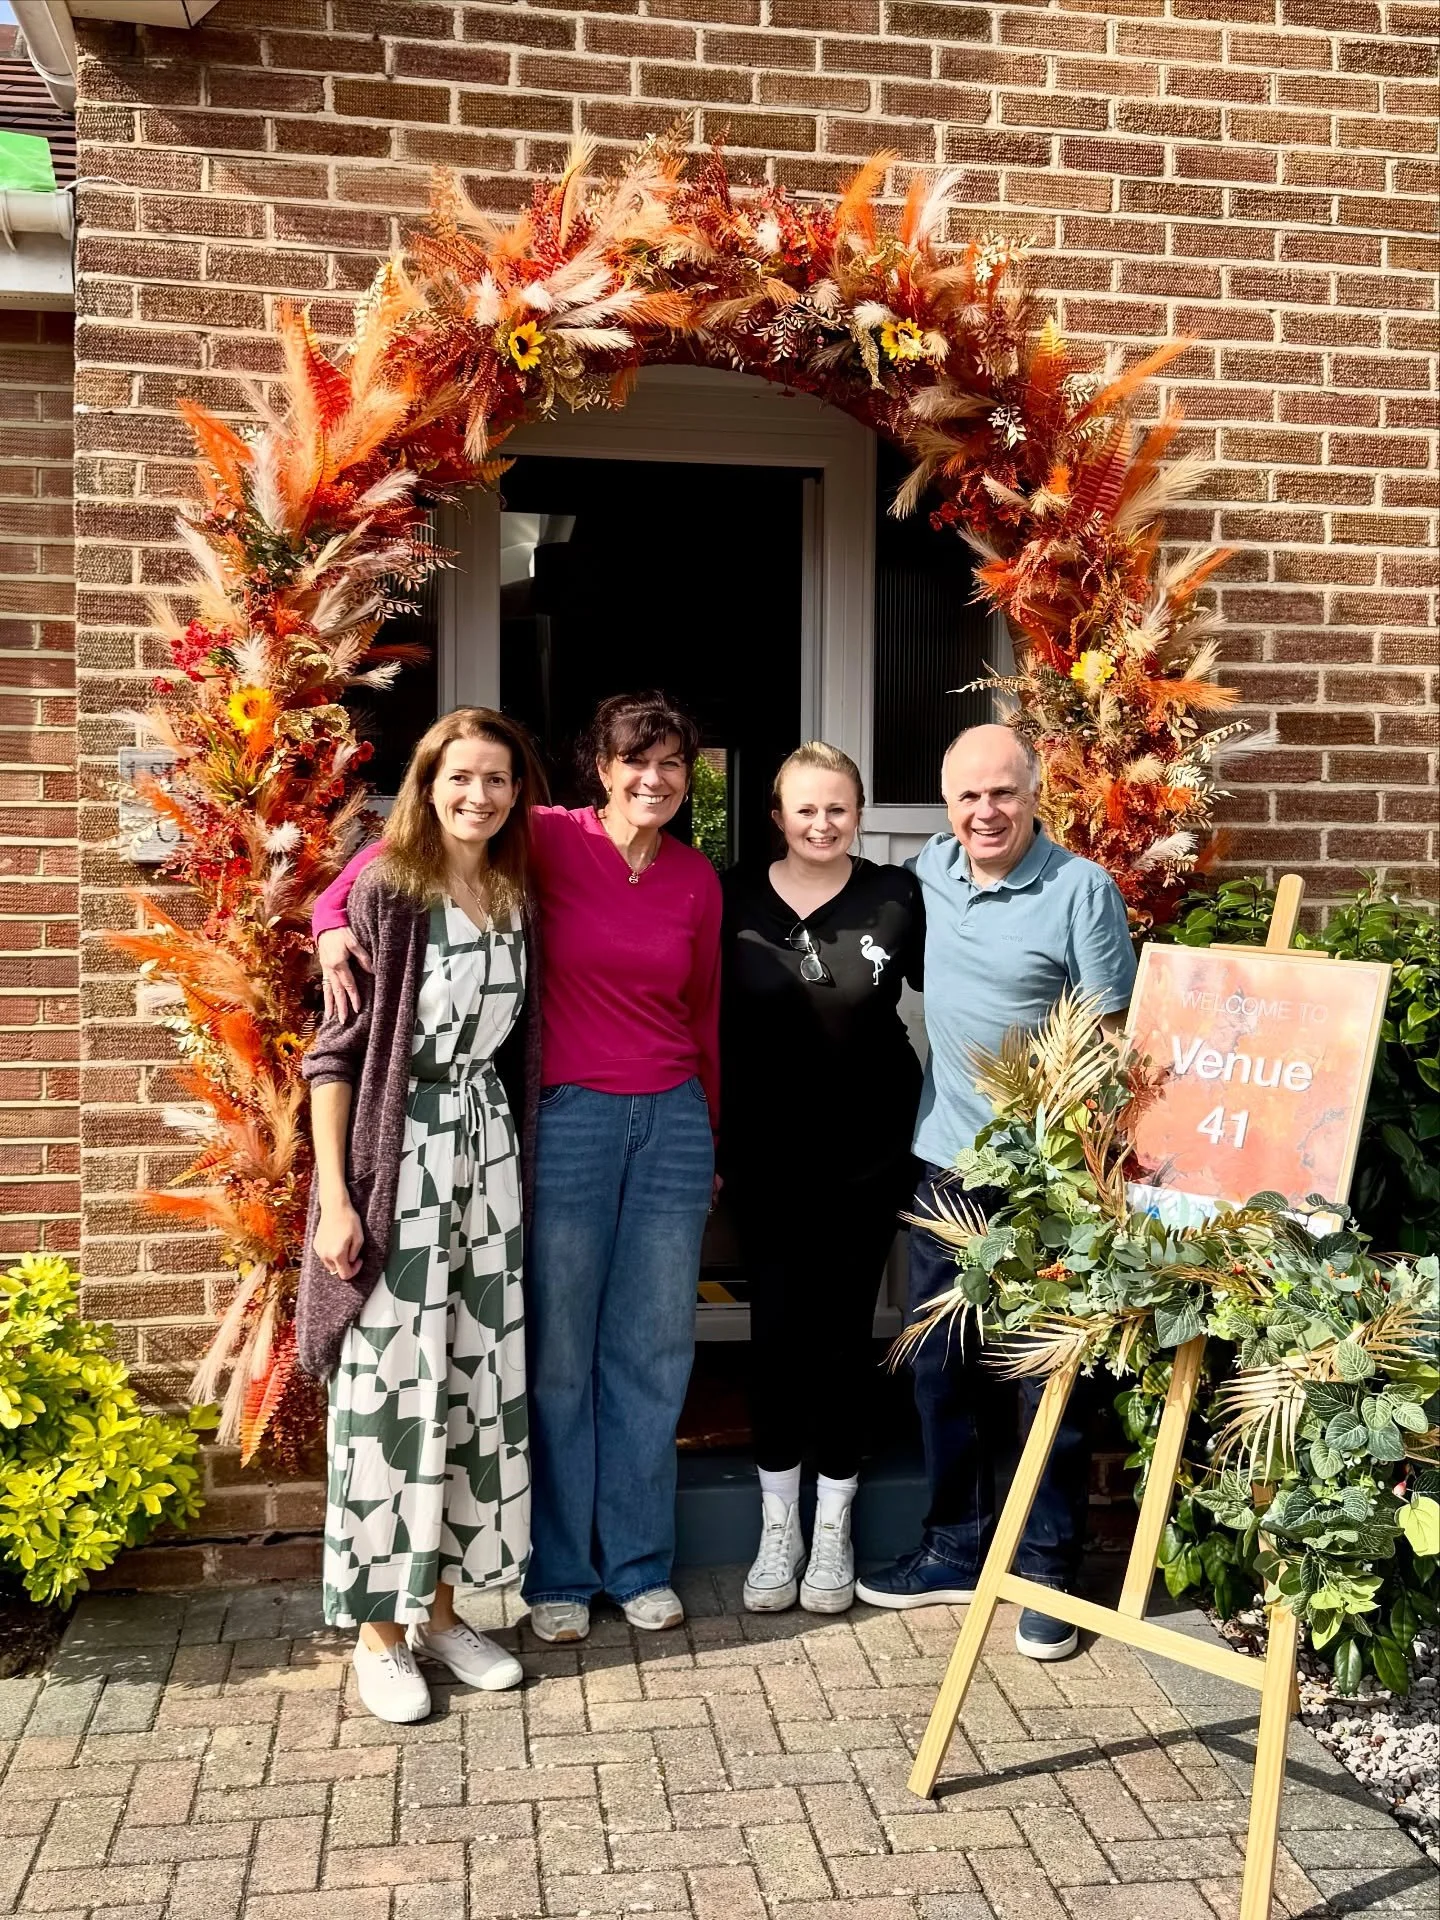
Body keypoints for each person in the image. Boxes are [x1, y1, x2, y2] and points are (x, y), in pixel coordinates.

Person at [313, 692, 721, 1648]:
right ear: (602, 770)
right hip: (566, 1123)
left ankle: (638, 1564)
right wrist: (332, 919)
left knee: (653, 1356)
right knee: (556, 1362)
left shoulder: (697, 879)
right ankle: (562, 1575)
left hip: (668, 1124)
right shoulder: (542, 837)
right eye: (636, 762)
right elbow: (390, 859)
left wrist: (711, 1136)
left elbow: (703, 1020)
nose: (653, 779)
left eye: (672, 764)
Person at [854, 722, 1137, 1661]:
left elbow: (1115, 1039)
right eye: (969, 795)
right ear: (947, 804)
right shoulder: (927, 875)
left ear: (1034, 793)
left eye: (1004, 794)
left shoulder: (1078, 890)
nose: (986, 811)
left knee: (1043, 1374)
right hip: (946, 1164)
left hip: (1046, 1180)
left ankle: (1049, 1566)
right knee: (943, 1367)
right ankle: (958, 1546)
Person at [298, 706, 547, 1724]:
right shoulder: (386, 892)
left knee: (471, 1391)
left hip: (484, 1164)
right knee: (389, 1399)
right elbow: (335, 1055)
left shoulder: (513, 892)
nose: (477, 795)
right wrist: (338, 1197)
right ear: (427, 784)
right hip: (397, 1163)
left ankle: (443, 1611)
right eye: (459, 778)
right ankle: (377, 1632)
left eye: (496, 779)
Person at [721, 743, 923, 1615]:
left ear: (861, 811)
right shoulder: (728, 896)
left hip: (868, 1154)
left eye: (838, 807)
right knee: (777, 1335)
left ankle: (834, 1521)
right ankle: (779, 1524)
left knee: (845, 1337)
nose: (822, 822)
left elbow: (957, 995)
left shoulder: (898, 896)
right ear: (778, 815)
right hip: (765, 1158)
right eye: (805, 808)